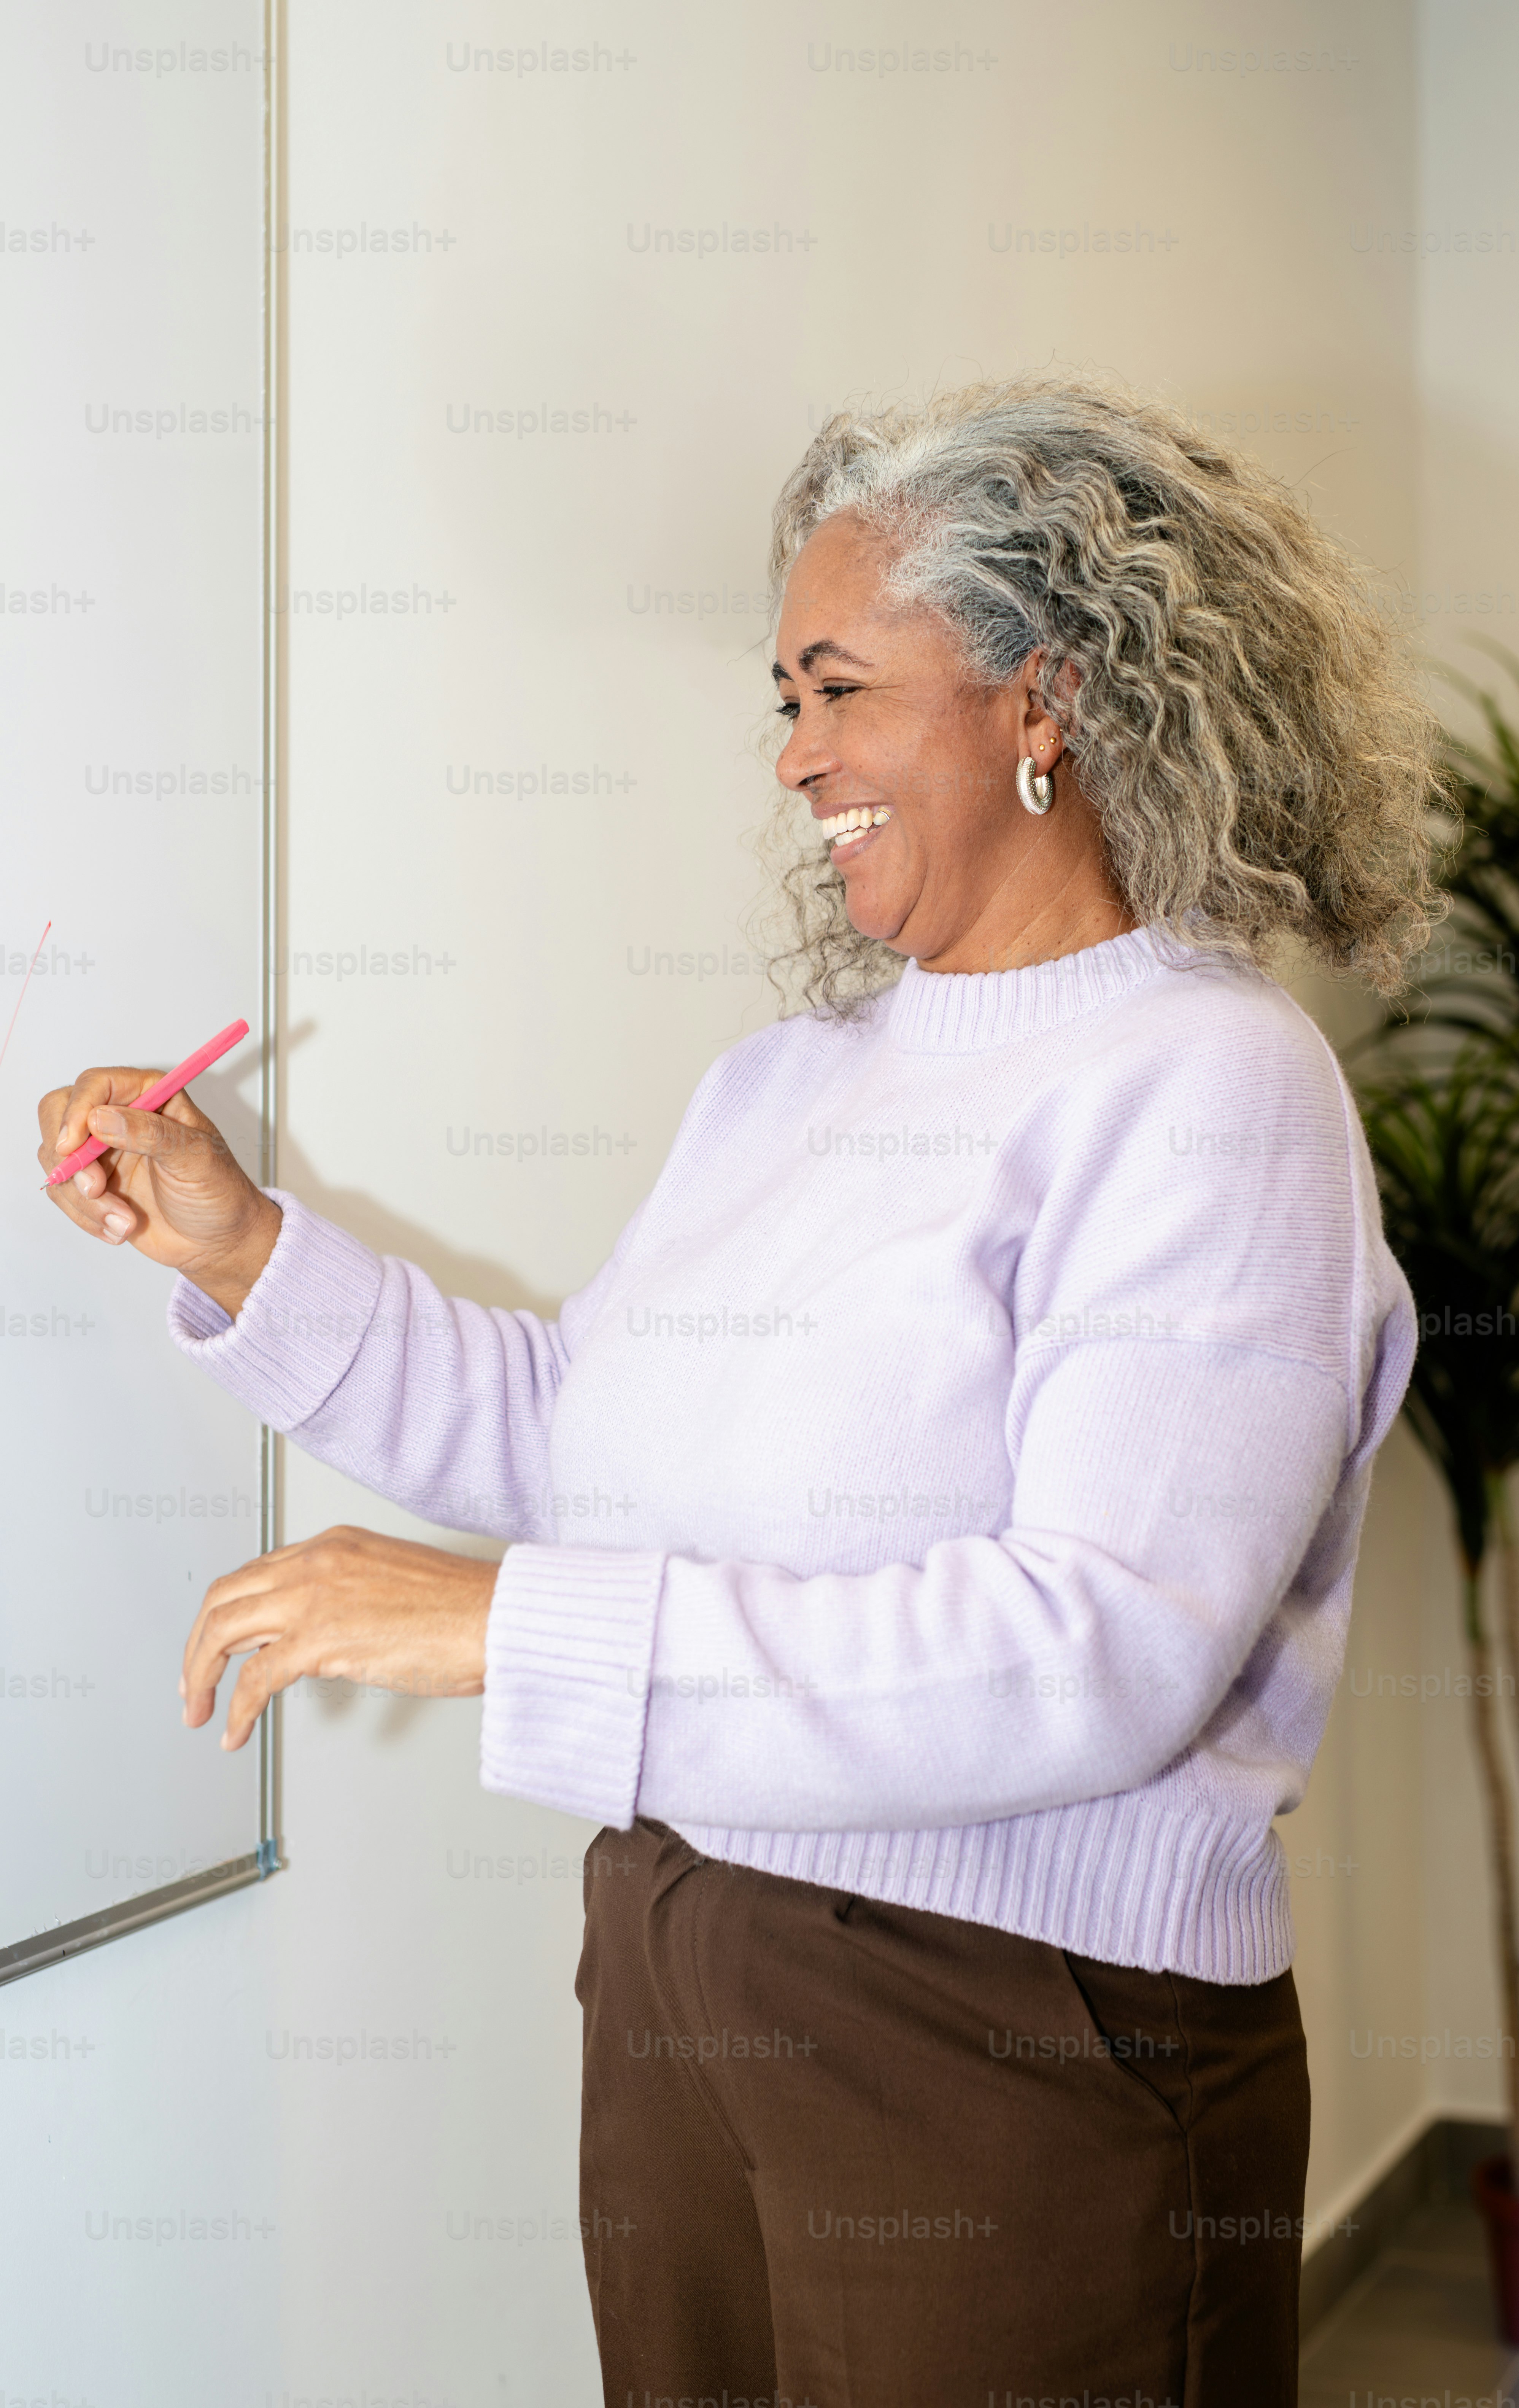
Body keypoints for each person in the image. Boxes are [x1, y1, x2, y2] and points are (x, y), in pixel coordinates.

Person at [38, 377, 1438, 2406]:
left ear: (1045, 699)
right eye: (784, 701)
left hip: (1016, 2044)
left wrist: (507, 1629)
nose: (796, 759)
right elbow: (571, 1438)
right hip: (689, 1969)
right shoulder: (789, 1085)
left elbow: (1101, 1646)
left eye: (839, 688)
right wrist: (245, 1249)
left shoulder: (1212, 1089)